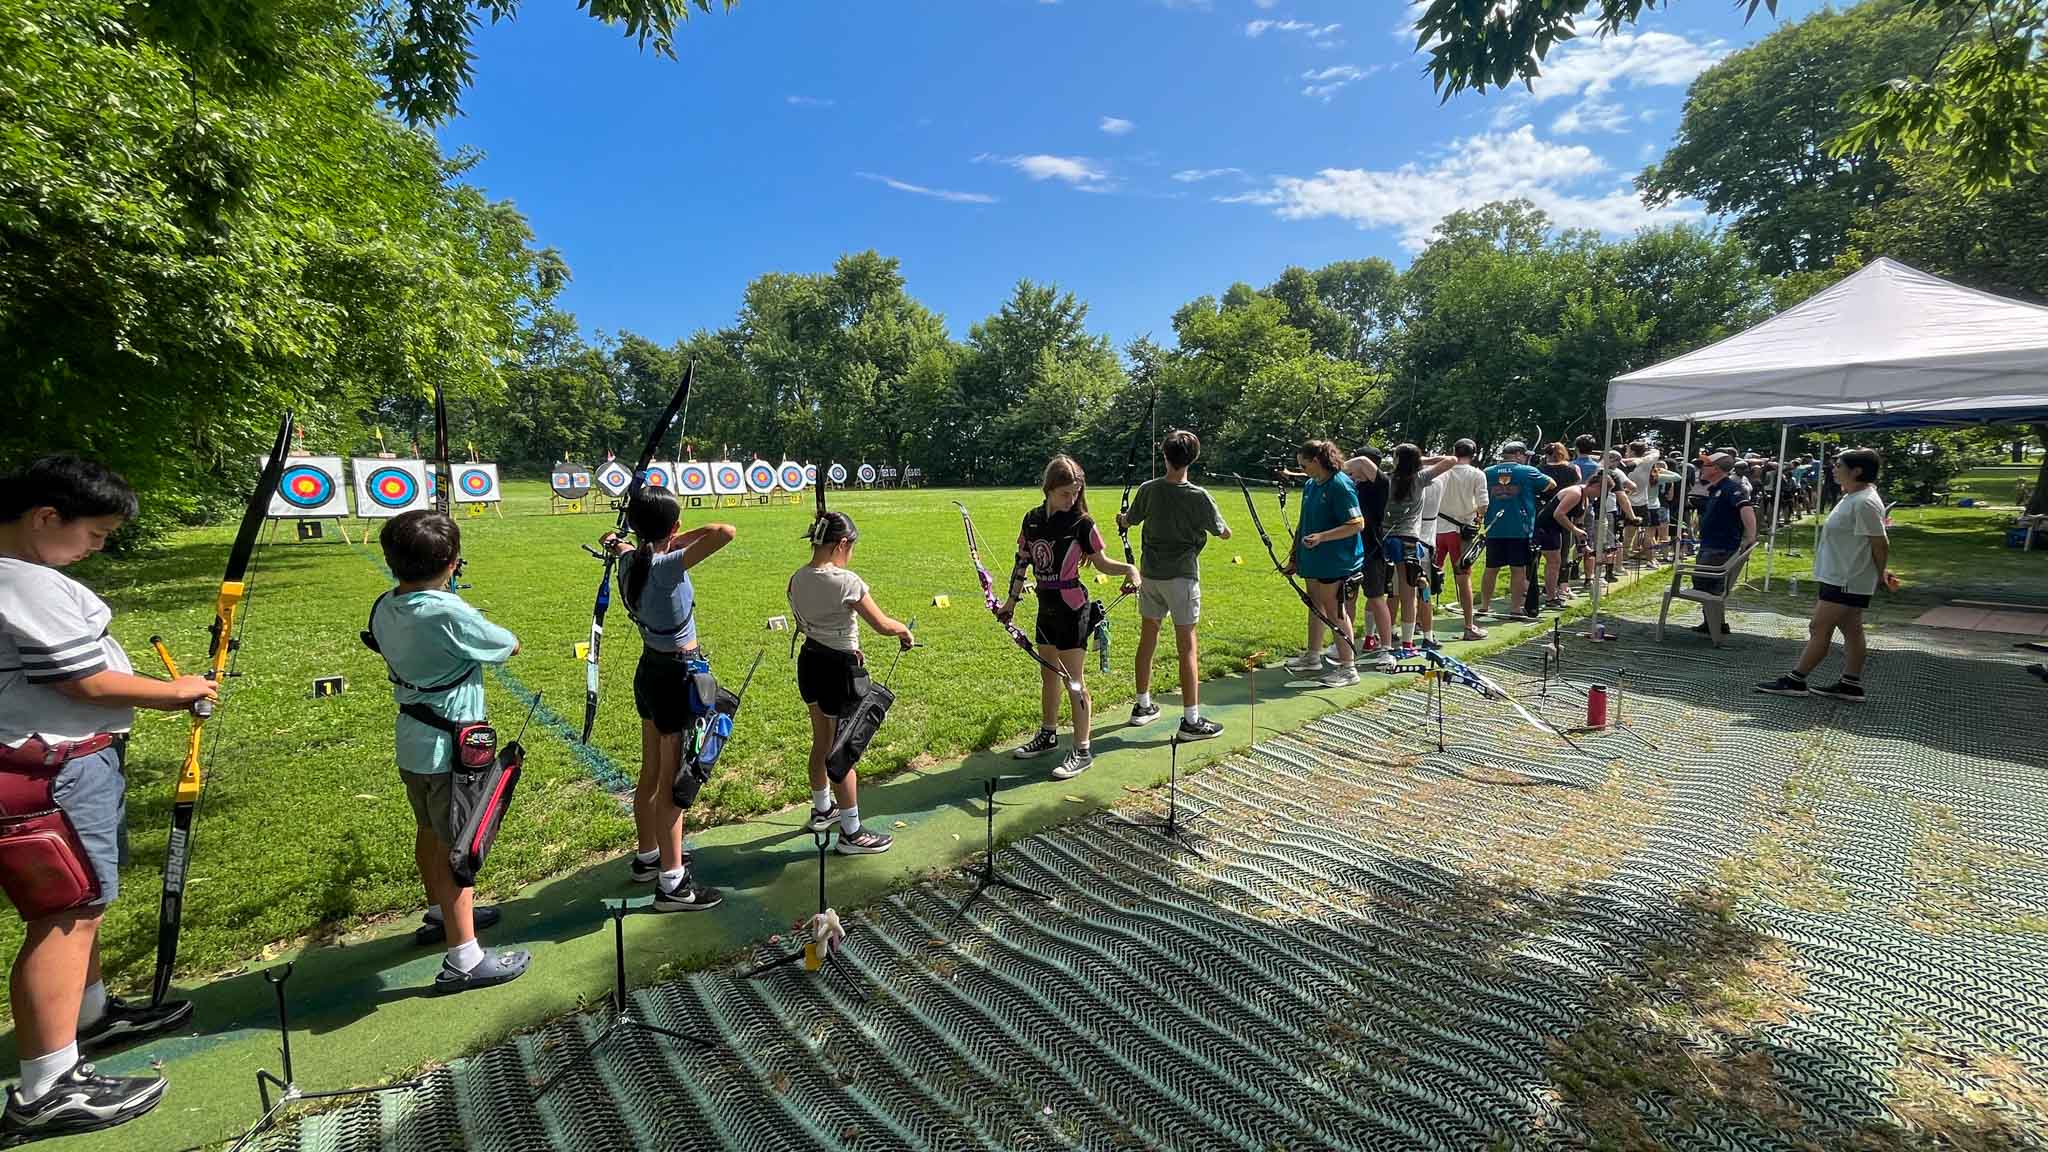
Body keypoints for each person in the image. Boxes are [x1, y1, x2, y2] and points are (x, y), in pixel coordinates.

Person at [0, 457, 199, 1144]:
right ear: (45, 517)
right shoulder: (19, 579)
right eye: (96, 532)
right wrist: (176, 691)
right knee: (65, 916)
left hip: (58, 763)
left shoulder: (24, 574)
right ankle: (47, 1087)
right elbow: (83, 682)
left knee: (82, 906)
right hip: (47, 770)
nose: (99, 546)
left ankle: (87, 1017)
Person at [359, 508, 536, 996]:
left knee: (430, 833)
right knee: (460, 846)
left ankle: (441, 912)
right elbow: (509, 645)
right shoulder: (448, 612)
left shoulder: (385, 604)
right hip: (450, 753)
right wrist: (455, 600)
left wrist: (446, 590)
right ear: (453, 561)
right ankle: (464, 959)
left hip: (414, 743)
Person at [603, 489, 733, 910]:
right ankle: (673, 884)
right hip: (678, 676)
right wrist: (675, 537)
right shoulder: (666, 565)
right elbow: (724, 531)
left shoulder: (630, 559)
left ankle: (648, 857)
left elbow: (627, 547)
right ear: (674, 528)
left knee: (651, 771)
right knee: (674, 782)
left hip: (650, 671)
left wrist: (628, 540)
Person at [1005, 455, 1140, 780]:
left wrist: (1131, 570)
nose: (1071, 499)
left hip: (1073, 609)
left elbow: (1103, 562)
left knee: (1074, 681)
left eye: (1075, 493)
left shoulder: (1082, 524)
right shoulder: (1032, 520)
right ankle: (1048, 733)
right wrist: (1009, 603)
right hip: (1047, 608)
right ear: (1048, 489)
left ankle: (1082, 750)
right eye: (1065, 493)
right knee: (1049, 676)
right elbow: (1022, 562)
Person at [788, 510, 913, 855]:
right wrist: (904, 631)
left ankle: (822, 809)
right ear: (842, 543)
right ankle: (851, 832)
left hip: (810, 662)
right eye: (851, 547)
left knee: (822, 741)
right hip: (839, 671)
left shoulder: (796, 578)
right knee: (843, 751)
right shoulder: (847, 581)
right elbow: (882, 625)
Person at [1119, 429, 1230, 741]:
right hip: (1182, 578)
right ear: (1193, 458)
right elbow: (1223, 532)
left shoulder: (1148, 489)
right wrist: (1222, 529)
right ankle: (1191, 721)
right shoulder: (1198, 496)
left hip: (1151, 577)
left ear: (1165, 456)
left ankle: (1143, 706)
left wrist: (1122, 519)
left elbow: (1129, 520)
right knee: (1187, 648)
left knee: (1148, 639)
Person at [1757, 449, 1893, 702]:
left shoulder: (1864, 502)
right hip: (1841, 575)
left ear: (1857, 470)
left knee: (1818, 627)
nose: (1833, 469)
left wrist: (1879, 574)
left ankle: (1796, 680)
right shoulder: (1852, 496)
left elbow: (1880, 543)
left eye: (1838, 465)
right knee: (1852, 628)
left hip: (1847, 578)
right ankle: (1850, 684)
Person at [1348, 446, 1458, 656]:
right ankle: (1407, 644)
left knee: (1376, 593)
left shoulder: (1386, 479)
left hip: (1383, 539)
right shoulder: (1420, 478)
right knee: (1409, 596)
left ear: (1397, 460)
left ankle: (1370, 638)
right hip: (1407, 541)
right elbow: (1451, 459)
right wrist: (1420, 461)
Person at [1279, 441, 1365, 687]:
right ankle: (1313, 656)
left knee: (1335, 610)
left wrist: (1322, 537)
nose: (1302, 470)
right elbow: (1304, 522)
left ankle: (1348, 668)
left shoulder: (1340, 485)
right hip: (1314, 559)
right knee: (1315, 605)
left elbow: (1357, 524)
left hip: (1336, 560)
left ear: (1316, 461)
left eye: (1303, 465)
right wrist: (1294, 556)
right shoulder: (1311, 484)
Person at [1479, 442, 1555, 621]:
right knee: (1518, 569)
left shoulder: (1487, 472)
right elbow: (1550, 484)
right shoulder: (1527, 471)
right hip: (1520, 528)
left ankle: (1484, 607)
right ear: (1519, 454)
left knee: (1491, 568)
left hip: (1494, 526)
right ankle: (1515, 608)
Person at [1534, 470, 1631, 609]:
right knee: (1554, 563)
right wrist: (1575, 530)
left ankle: (1552, 594)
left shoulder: (1585, 498)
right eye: (1601, 493)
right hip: (1546, 528)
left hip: (1557, 529)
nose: (1599, 496)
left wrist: (1583, 544)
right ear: (1595, 486)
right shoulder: (1575, 493)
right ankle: (1550, 597)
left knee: (1558, 562)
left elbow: (1579, 522)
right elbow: (1558, 514)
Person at [1689, 452, 1758, 637]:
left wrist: (1750, 536)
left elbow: (1746, 508)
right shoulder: (1716, 488)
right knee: (1708, 586)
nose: (1701, 469)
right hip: (1711, 546)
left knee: (1707, 586)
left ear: (1717, 469)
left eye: (1705, 465)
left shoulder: (1731, 488)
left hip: (1719, 548)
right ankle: (1716, 623)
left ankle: (1714, 624)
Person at [1431, 439, 1490, 641]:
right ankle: (1468, 626)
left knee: (1427, 578)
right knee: (1463, 579)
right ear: (1473, 454)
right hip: (1460, 532)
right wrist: (1478, 518)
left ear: (1453, 451)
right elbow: (1483, 505)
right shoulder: (1477, 474)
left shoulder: (1441, 471)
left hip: (1436, 531)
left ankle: (1420, 624)